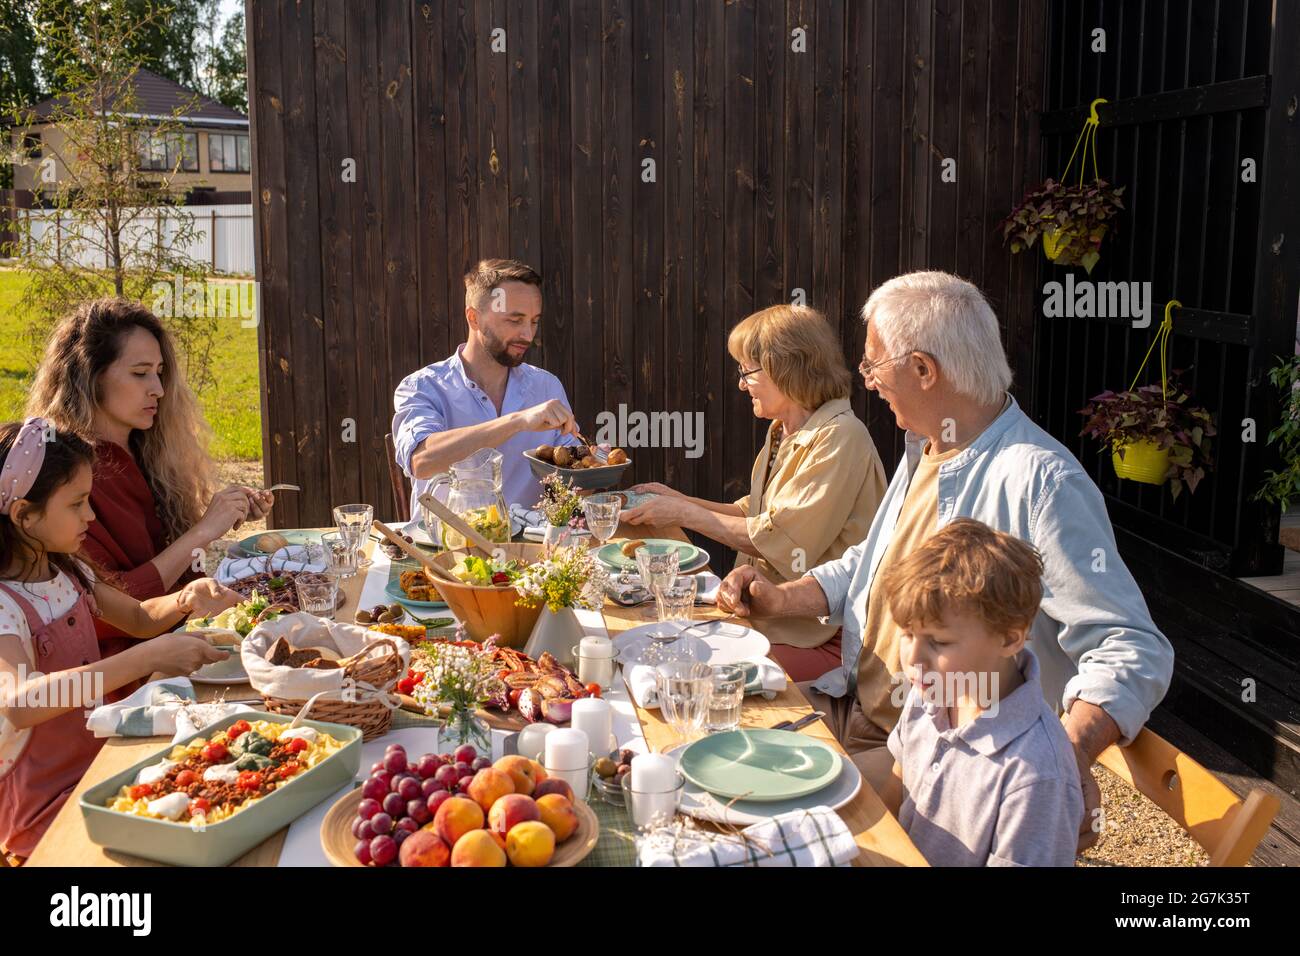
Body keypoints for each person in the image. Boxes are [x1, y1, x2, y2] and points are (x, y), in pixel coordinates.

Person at [718, 270, 1173, 850]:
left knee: (752, 828)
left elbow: (1132, 646)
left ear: (924, 369)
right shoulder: (928, 446)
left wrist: (1068, 749)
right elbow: (873, 560)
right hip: (863, 713)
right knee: (712, 760)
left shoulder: (1042, 480)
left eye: (873, 364)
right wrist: (785, 596)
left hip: (926, 765)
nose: (867, 380)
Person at [0, 419, 236, 862]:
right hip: (46, 813)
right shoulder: (5, 607)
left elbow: (140, 616)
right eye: (77, 503)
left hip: (104, 769)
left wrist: (186, 599)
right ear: (24, 515)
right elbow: (20, 703)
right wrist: (141, 660)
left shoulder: (68, 572)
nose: (90, 515)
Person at [624, 305, 887, 681]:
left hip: (817, 637)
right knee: (657, 646)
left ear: (786, 367)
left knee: (692, 677)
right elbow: (757, 512)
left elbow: (776, 536)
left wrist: (679, 514)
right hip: (769, 622)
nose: (741, 384)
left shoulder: (841, 436)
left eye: (748, 371)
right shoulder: (785, 430)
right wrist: (679, 500)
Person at [26, 298, 273, 664]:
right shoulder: (65, 480)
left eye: (159, 372)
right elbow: (115, 609)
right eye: (140, 373)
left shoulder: (148, 454)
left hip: (176, 639)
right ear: (90, 377)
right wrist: (203, 531)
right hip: (120, 672)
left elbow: (176, 580)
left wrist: (222, 518)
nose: (158, 388)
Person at [876, 519, 1083, 866]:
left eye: (939, 642)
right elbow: (896, 790)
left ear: (1009, 638)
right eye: (907, 634)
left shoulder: (1035, 775)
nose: (912, 658)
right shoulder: (932, 690)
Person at [392, 259, 584, 523]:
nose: (528, 335)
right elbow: (422, 461)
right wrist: (517, 421)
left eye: (534, 321)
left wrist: (596, 468)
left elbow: (574, 477)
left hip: (531, 553)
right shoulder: (423, 386)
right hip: (446, 554)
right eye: (515, 320)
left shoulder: (546, 386)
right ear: (474, 318)